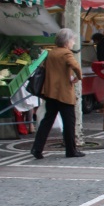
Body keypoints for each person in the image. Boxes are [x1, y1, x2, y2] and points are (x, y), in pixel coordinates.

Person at [30, 28, 84, 159]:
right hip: (64, 93)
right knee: (69, 122)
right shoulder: (66, 53)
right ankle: (71, 150)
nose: (73, 43)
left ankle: (37, 148)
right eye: (72, 40)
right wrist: (79, 77)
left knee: (47, 121)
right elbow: (76, 66)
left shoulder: (51, 53)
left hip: (50, 92)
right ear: (67, 41)